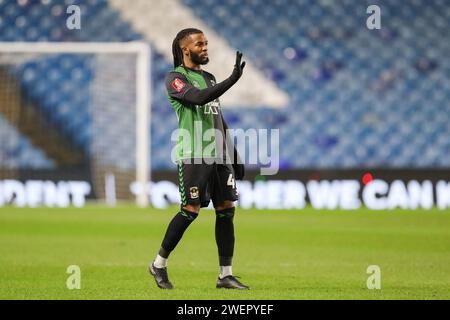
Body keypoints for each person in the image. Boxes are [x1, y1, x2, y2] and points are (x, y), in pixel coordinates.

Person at [149, 28, 249, 290]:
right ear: (185, 49)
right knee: (190, 211)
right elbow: (197, 97)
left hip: (219, 154)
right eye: (200, 44)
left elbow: (218, 118)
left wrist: (234, 154)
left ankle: (225, 274)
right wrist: (232, 80)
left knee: (226, 209)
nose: (205, 47)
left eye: (206, 43)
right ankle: (158, 264)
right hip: (194, 154)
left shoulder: (210, 77)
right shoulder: (176, 78)